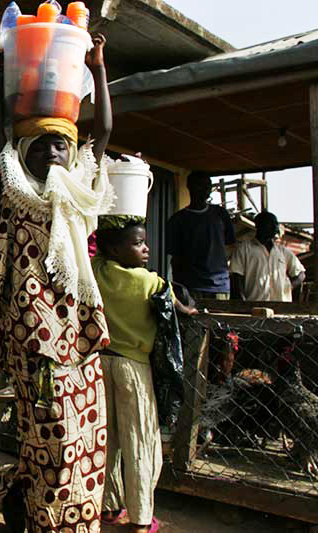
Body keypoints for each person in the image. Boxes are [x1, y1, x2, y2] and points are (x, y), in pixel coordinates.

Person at [0, 34, 113, 533]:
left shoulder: (75, 199)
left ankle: (49, 512)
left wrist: (98, 69)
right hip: (33, 340)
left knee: (83, 436)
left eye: (63, 144)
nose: (55, 152)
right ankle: (43, 515)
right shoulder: (12, 191)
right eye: (45, 144)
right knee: (50, 432)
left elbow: (105, 132)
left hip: (78, 341)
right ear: (25, 150)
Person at [92, 217, 196, 533]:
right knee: (140, 444)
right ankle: (140, 518)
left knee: (106, 441)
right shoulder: (151, 282)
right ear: (114, 248)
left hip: (99, 365)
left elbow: (92, 252)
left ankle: (108, 507)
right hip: (133, 369)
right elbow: (178, 307)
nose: (146, 248)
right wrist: (190, 311)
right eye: (138, 243)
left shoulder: (97, 271)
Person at [166, 171, 236, 299]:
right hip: (189, 286)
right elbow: (174, 257)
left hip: (219, 286)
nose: (206, 190)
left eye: (208, 186)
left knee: (219, 319)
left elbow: (230, 245)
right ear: (189, 186)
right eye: (200, 185)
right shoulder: (178, 220)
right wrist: (178, 287)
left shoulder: (220, 214)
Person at [230, 211, 306, 302]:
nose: (275, 227)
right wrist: (242, 301)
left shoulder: (283, 251)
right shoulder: (244, 249)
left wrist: (289, 286)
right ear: (259, 226)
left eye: (276, 224)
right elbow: (236, 277)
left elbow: (301, 274)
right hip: (255, 306)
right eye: (271, 224)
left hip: (281, 307)